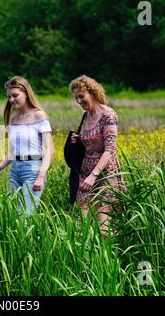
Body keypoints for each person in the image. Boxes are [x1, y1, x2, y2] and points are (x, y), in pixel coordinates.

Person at [69, 75, 126, 235]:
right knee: (81, 226)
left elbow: (109, 149)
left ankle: (109, 257)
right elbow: (92, 140)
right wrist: (78, 140)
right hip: (84, 173)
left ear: (92, 93)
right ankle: (87, 258)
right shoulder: (86, 115)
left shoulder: (108, 115)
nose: (79, 101)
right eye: (76, 98)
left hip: (105, 174)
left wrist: (94, 175)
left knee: (104, 228)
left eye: (81, 96)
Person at [0, 76, 54, 216]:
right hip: (15, 170)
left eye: (15, 95)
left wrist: (41, 176)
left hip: (33, 170)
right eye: (9, 96)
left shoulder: (39, 116)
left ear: (26, 93)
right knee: (13, 214)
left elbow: (49, 150)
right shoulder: (14, 119)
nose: (11, 99)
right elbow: (12, 151)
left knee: (25, 215)